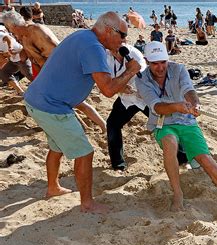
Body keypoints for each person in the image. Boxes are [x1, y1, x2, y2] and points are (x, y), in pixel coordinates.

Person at [23, 12, 141, 214]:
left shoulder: (83, 36)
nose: (124, 40)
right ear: (108, 30)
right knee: (85, 152)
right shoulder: (93, 47)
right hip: (52, 105)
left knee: (57, 147)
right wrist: (130, 70)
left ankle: (53, 188)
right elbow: (107, 90)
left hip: (36, 99)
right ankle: (87, 203)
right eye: (122, 35)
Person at [136, 41, 217, 213]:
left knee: (205, 158)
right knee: (169, 141)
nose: (160, 67)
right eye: (155, 63)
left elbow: (189, 90)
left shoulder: (179, 69)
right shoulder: (141, 79)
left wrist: (195, 104)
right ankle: (178, 194)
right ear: (147, 61)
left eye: (163, 62)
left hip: (186, 121)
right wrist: (177, 106)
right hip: (163, 122)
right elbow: (156, 107)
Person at [106, 43, 148, 171]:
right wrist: (121, 87)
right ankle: (118, 164)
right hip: (126, 99)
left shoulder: (134, 53)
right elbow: (107, 83)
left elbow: (144, 76)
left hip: (145, 98)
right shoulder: (105, 56)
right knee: (113, 124)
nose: (114, 49)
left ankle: (182, 157)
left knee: (164, 123)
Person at [2, 11, 59, 79]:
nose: (10, 32)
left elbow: (57, 52)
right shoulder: (23, 37)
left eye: (9, 29)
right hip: (45, 72)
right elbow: (25, 58)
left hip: (57, 69)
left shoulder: (37, 30)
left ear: (14, 26)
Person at [0, 30, 33, 95]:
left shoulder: (0, 34)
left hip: (21, 56)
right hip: (12, 59)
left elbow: (8, 38)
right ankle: (20, 91)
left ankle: (42, 87)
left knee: (29, 75)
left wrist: (10, 47)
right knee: (4, 73)